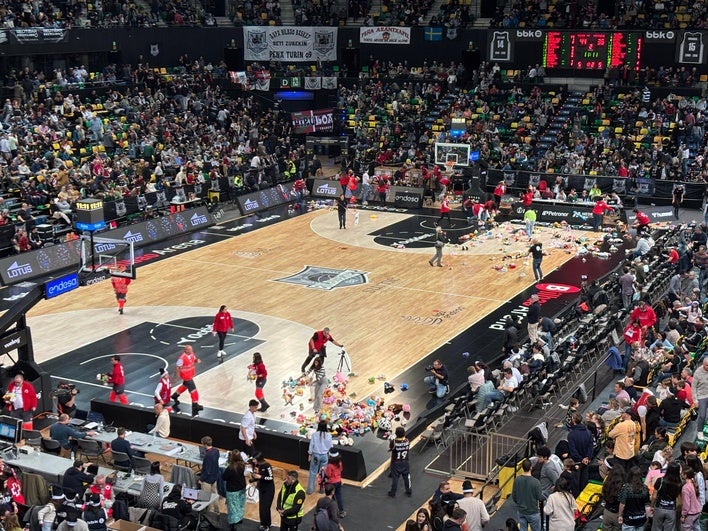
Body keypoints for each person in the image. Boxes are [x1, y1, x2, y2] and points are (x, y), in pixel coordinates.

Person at [511, 459, 544, 531]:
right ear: (531, 467)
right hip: (533, 512)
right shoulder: (536, 482)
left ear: (522, 468)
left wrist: (520, 503)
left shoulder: (517, 480)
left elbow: (514, 496)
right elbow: (539, 497)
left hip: (521, 511)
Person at [171, 345, 203, 416]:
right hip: (186, 376)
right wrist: (176, 377)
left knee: (185, 386)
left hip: (190, 374)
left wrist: (196, 360)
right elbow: (177, 367)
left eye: (191, 349)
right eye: (190, 349)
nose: (191, 350)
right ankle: (195, 404)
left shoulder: (192, 354)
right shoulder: (181, 358)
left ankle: (175, 395)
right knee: (193, 390)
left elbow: (194, 360)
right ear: (186, 350)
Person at [567, 413, 594, 496]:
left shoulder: (571, 435)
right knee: (584, 480)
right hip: (586, 461)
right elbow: (591, 446)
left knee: (576, 482)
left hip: (577, 462)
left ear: (574, 421)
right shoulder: (588, 432)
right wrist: (587, 457)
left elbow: (573, 450)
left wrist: (581, 459)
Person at [651, 461, 682, 531]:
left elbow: (654, 496)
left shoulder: (660, 480)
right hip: (671, 509)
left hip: (659, 508)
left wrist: (652, 506)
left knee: (656, 528)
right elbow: (679, 501)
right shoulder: (679, 483)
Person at [222, 450, 246, 530]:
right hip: (241, 487)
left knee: (232, 507)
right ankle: (239, 519)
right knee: (240, 505)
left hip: (233, 490)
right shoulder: (242, 465)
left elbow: (224, 477)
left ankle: (232, 525)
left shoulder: (230, 468)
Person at [308, 420, 332, 495]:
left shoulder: (315, 435)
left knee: (312, 472)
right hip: (324, 456)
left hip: (315, 455)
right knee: (323, 473)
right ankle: (322, 489)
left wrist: (309, 454)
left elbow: (311, 445)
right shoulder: (329, 435)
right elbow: (330, 446)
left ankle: (310, 490)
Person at [251, 453, 275, 531]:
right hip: (261, 488)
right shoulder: (256, 465)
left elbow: (270, 478)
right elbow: (256, 475)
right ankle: (263, 523)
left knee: (266, 508)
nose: (253, 460)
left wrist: (261, 477)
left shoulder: (267, 466)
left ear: (258, 459)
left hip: (269, 489)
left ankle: (267, 524)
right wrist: (254, 478)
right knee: (261, 507)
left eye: (254, 459)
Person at [388, 426, 411, 498]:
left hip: (396, 463)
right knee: (406, 477)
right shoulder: (407, 441)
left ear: (396, 434)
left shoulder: (394, 442)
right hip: (405, 462)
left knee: (395, 478)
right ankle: (409, 491)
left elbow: (391, 448)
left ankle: (393, 493)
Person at [199, 436, 220, 513]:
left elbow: (207, 471)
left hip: (207, 480)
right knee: (215, 495)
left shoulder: (208, 456)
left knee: (206, 497)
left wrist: (201, 479)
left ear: (204, 444)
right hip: (215, 477)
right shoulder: (216, 451)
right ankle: (217, 511)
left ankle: (209, 513)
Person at [324, 450, 345, 518]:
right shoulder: (340, 463)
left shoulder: (330, 466)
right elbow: (341, 470)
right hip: (338, 481)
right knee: (339, 496)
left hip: (331, 483)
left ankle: (332, 512)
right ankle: (341, 511)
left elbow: (328, 475)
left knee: (331, 498)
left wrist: (325, 470)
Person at [691, 356, 708, 435]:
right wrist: (695, 400)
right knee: (702, 415)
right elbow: (693, 387)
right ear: (703, 364)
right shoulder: (698, 372)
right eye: (707, 365)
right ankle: (699, 431)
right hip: (702, 395)